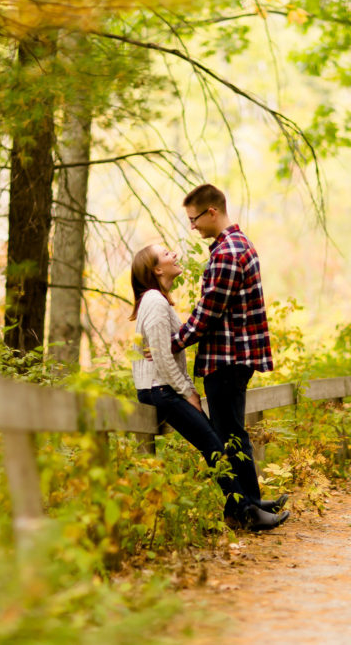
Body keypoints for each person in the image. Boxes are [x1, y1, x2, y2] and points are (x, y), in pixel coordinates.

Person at [130, 243, 289, 531]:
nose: (174, 255)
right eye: (166, 254)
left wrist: (185, 386)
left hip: (164, 387)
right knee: (214, 445)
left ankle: (244, 507)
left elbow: (167, 354)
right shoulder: (153, 300)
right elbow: (162, 355)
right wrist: (187, 390)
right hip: (159, 390)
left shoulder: (158, 300)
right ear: (156, 269)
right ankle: (245, 513)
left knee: (216, 443)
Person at [170, 183, 289, 525]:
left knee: (229, 435)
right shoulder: (236, 245)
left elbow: (208, 312)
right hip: (235, 358)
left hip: (227, 359)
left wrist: (173, 342)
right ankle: (251, 501)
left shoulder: (226, 253)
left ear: (212, 212)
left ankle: (245, 512)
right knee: (234, 432)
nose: (192, 227)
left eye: (194, 219)